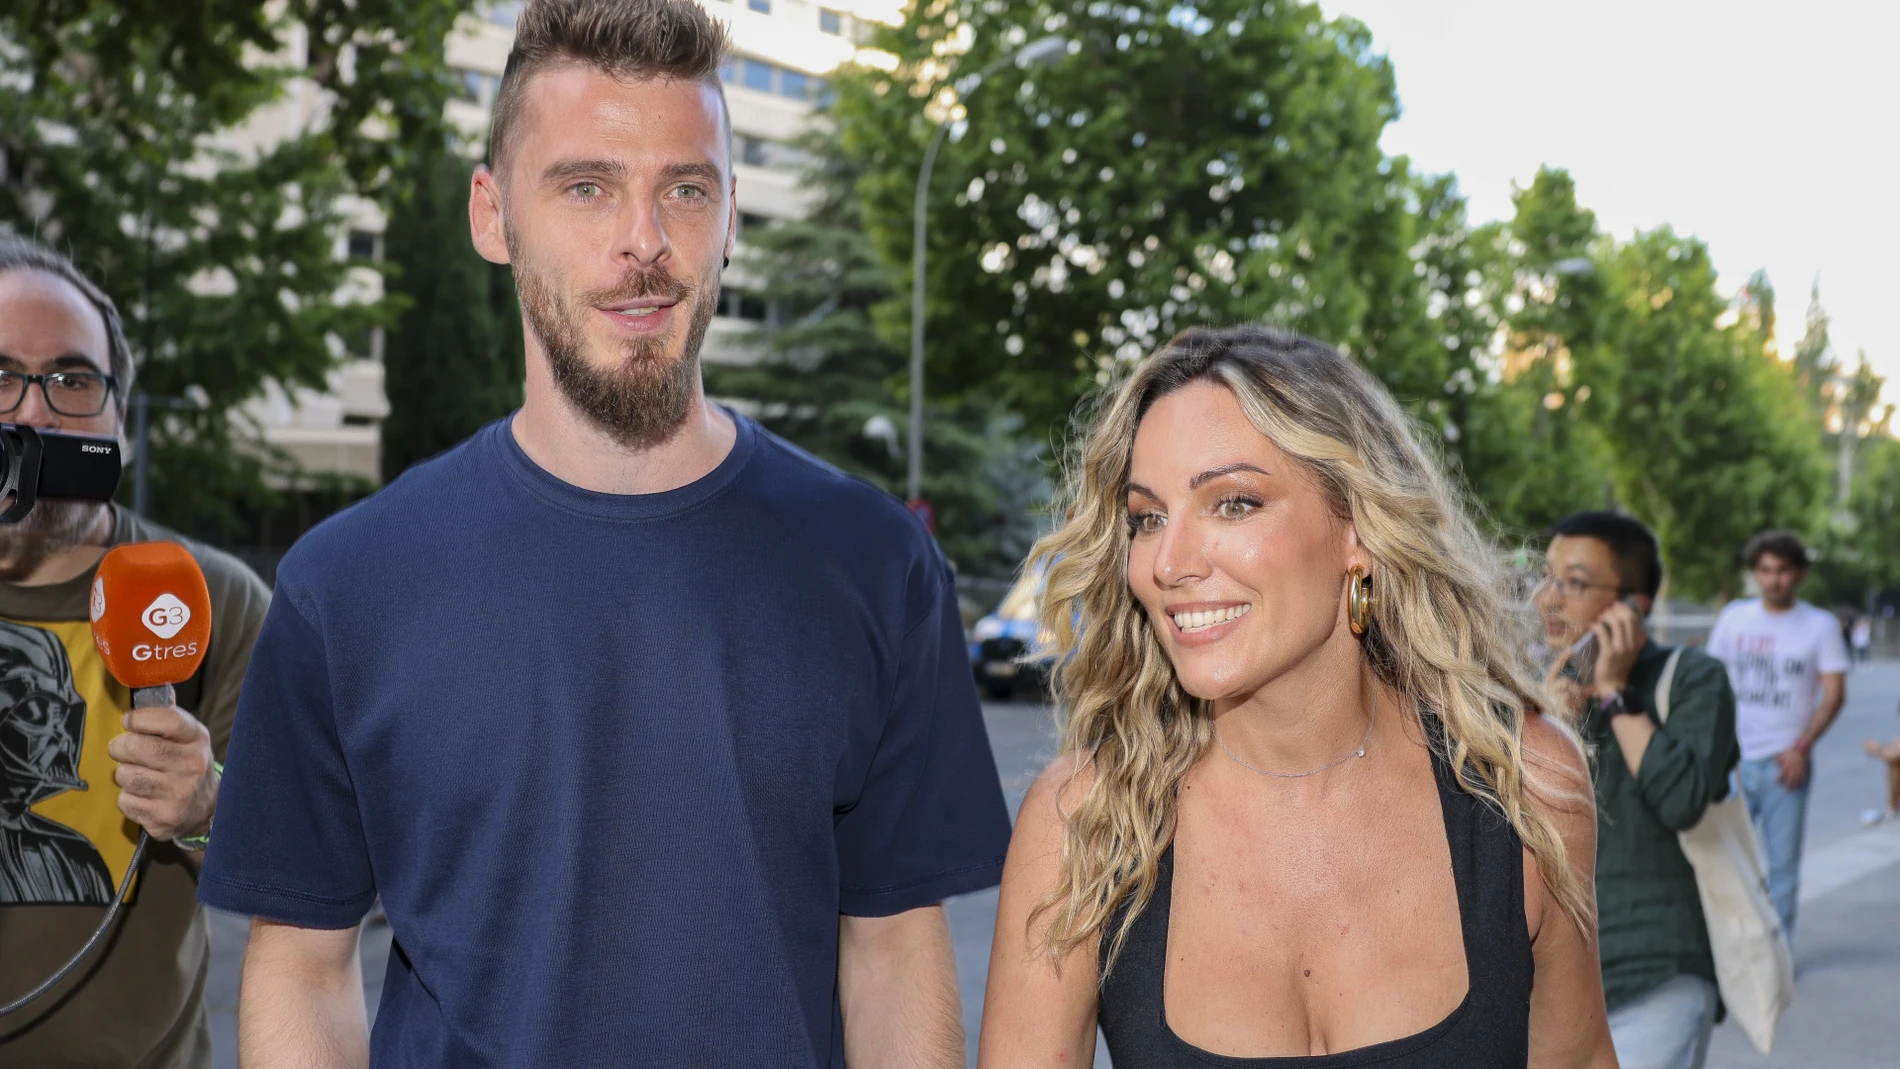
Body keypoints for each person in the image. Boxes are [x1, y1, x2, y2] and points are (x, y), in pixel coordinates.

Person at [196, 2, 1011, 1065]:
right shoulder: (346, 585)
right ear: (493, 217)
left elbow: (895, 954)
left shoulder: (876, 564)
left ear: (731, 219)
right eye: (586, 186)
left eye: (686, 187)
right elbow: (302, 968)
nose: (645, 240)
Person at [979, 326, 1615, 1068]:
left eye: (1234, 503)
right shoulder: (1082, 826)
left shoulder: (1525, 788)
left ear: (1359, 529)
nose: (1170, 563)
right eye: (1147, 518)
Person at [0, 236, 272, 1067]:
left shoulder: (216, 598)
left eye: (73, 381)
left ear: (120, 416)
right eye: (1, 376)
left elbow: (314, 869)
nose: (34, 412)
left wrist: (208, 808)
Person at [1537, 512, 1739, 1069]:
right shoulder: (1542, 693)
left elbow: (1681, 800)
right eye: (1546, 577)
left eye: (1574, 583)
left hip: (1657, 974)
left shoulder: (1695, 679)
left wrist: (1617, 692)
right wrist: (1554, 726)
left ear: (1634, 605)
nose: (1549, 598)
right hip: (1552, 984)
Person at [1705, 530, 1848, 940]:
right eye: (1765, 570)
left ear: (1799, 573)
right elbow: (1712, 685)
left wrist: (1802, 747)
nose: (1774, 580)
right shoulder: (1734, 617)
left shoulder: (1820, 626)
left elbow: (1834, 695)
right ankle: (1733, 946)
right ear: (1756, 574)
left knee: (1782, 867)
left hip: (1786, 764)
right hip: (1732, 763)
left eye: (1783, 570)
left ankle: (1778, 953)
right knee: (1728, 860)